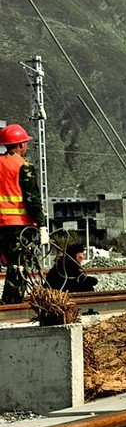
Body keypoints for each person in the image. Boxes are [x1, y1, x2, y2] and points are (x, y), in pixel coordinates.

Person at [0, 123, 47, 304]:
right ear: (20, 145)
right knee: (17, 264)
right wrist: (42, 224)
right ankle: (12, 302)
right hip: (18, 225)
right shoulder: (23, 166)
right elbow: (32, 199)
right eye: (25, 143)